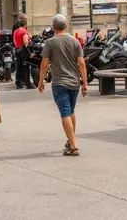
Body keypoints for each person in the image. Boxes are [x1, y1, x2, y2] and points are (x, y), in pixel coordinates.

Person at [38, 13, 88, 156]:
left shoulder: (51, 42)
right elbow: (82, 63)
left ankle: (73, 144)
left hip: (59, 82)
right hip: (74, 82)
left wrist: (41, 81)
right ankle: (70, 140)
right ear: (66, 26)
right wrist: (84, 83)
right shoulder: (75, 41)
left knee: (65, 112)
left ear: (53, 27)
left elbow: (44, 64)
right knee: (71, 111)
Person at [13, 17, 31, 89]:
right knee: (25, 67)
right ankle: (28, 84)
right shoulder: (24, 31)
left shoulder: (16, 31)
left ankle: (18, 83)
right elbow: (25, 42)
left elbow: (14, 41)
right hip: (23, 51)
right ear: (25, 25)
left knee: (19, 67)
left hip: (17, 50)